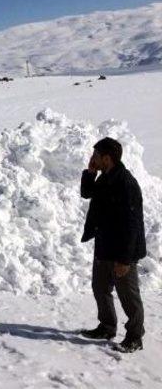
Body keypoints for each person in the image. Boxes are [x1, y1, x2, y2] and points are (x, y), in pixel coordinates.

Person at [79, 137, 146, 353]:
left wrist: (125, 260)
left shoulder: (126, 183)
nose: (93, 158)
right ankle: (107, 327)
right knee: (100, 288)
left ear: (107, 158)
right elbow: (87, 193)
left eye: (96, 155)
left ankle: (135, 336)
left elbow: (132, 225)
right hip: (105, 244)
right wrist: (90, 173)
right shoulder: (105, 177)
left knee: (128, 295)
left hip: (122, 250)